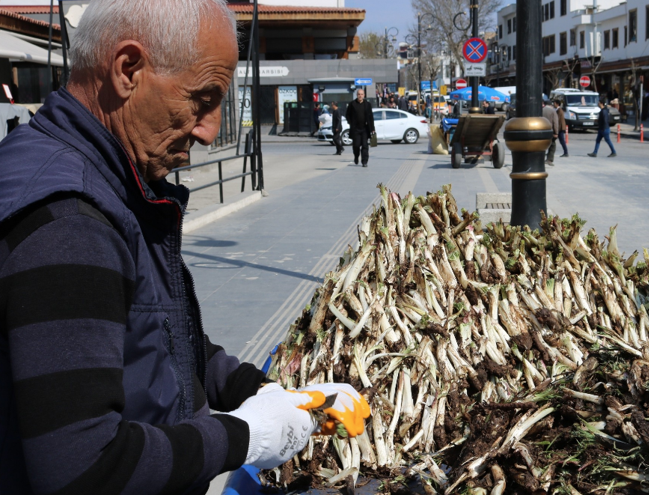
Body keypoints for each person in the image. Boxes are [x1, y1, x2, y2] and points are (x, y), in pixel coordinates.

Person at [0, 1, 370, 493]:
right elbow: (83, 468)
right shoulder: (69, 221)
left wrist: (263, 392)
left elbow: (154, 334)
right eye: (203, 98)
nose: (209, 129)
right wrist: (244, 437)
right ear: (127, 70)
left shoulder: (114, 181)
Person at [345, 89, 375, 167]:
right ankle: (356, 156)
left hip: (365, 128)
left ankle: (364, 161)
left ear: (364, 95)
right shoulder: (352, 104)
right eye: (359, 94)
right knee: (356, 145)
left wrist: (372, 128)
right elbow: (347, 115)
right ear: (357, 95)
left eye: (361, 94)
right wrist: (350, 122)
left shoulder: (367, 104)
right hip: (356, 129)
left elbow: (370, 117)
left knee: (365, 145)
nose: (360, 96)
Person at [542, 97, 560, 166]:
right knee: (552, 145)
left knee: (542, 145)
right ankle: (549, 159)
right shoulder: (553, 111)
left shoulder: (542, 110)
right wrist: (556, 132)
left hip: (542, 130)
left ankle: (540, 158)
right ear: (551, 105)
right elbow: (555, 123)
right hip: (550, 131)